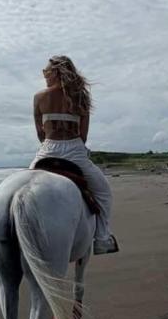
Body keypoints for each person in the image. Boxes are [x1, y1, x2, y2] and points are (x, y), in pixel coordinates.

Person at [30, 55, 119, 255]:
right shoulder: (81, 97)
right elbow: (83, 135)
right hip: (74, 151)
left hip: (47, 149)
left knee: (24, 188)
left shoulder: (39, 97)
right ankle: (102, 239)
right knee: (104, 193)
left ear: (55, 72)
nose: (44, 76)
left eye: (46, 72)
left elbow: (40, 134)